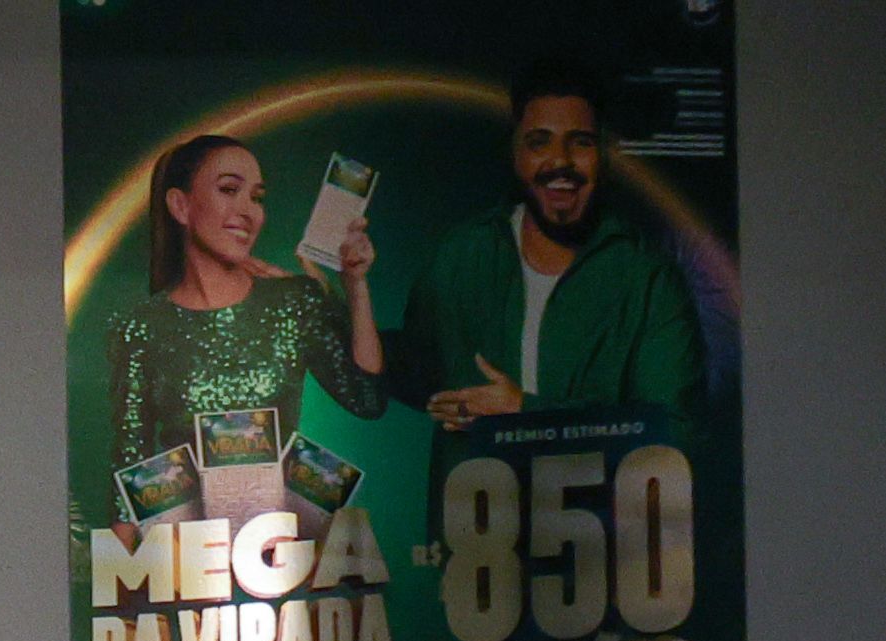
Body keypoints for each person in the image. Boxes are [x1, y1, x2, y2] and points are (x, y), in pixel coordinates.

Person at [390, 55, 708, 426]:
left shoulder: (649, 280)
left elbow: (674, 430)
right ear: (515, 153)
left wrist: (524, 411)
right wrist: (344, 297)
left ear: (602, 154)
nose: (560, 161)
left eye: (581, 143)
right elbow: (414, 374)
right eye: (539, 142)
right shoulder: (461, 255)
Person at [94, 131, 390, 492]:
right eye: (229, 190)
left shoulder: (294, 301)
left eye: (257, 197)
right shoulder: (142, 326)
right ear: (180, 206)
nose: (248, 210)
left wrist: (355, 285)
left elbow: (368, 399)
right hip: (191, 535)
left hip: (280, 534)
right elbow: (130, 463)